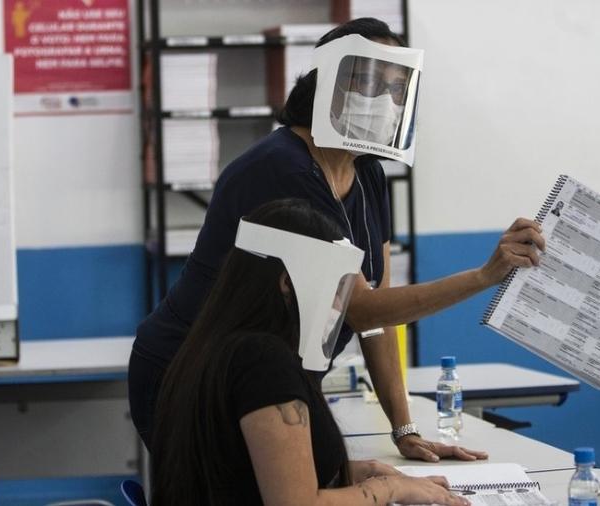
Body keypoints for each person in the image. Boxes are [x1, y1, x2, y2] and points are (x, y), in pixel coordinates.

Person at [129, 17, 545, 461]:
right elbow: (359, 306)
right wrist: (485, 276)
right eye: (368, 81)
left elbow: (377, 319)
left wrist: (403, 429)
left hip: (265, 376)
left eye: (397, 87)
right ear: (327, 82)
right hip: (190, 374)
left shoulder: (368, 173)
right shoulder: (281, 168)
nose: (384, 99)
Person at [151, 199, 469, 506]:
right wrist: (388, 488)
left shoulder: (213, 345)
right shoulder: (262, 361)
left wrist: (353, 473)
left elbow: (241, 476)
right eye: (335, 287)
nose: (338, 306)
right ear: (288, 282)